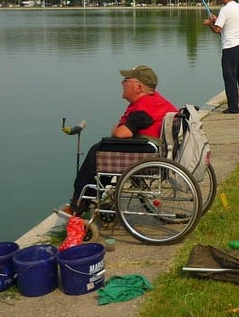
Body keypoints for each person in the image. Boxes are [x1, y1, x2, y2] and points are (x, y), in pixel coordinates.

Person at [67, 65, 177, 215]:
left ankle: (77, 205)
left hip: (149, 153)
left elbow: (120, 133)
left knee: (97, 151)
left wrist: (115, 129)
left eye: (126, 80)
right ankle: (89, 200)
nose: (122, 83)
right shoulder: (154, 101)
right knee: (105, 149)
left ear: (138, 87)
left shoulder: (143, 108)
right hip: (154, 149)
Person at [204, 0, 239, 114]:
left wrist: (210, 24)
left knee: (230, 77)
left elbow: (217, 30)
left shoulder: (225, 10)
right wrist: (217, 19)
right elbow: (229, 25)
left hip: (230, 47)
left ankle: (233, 107)